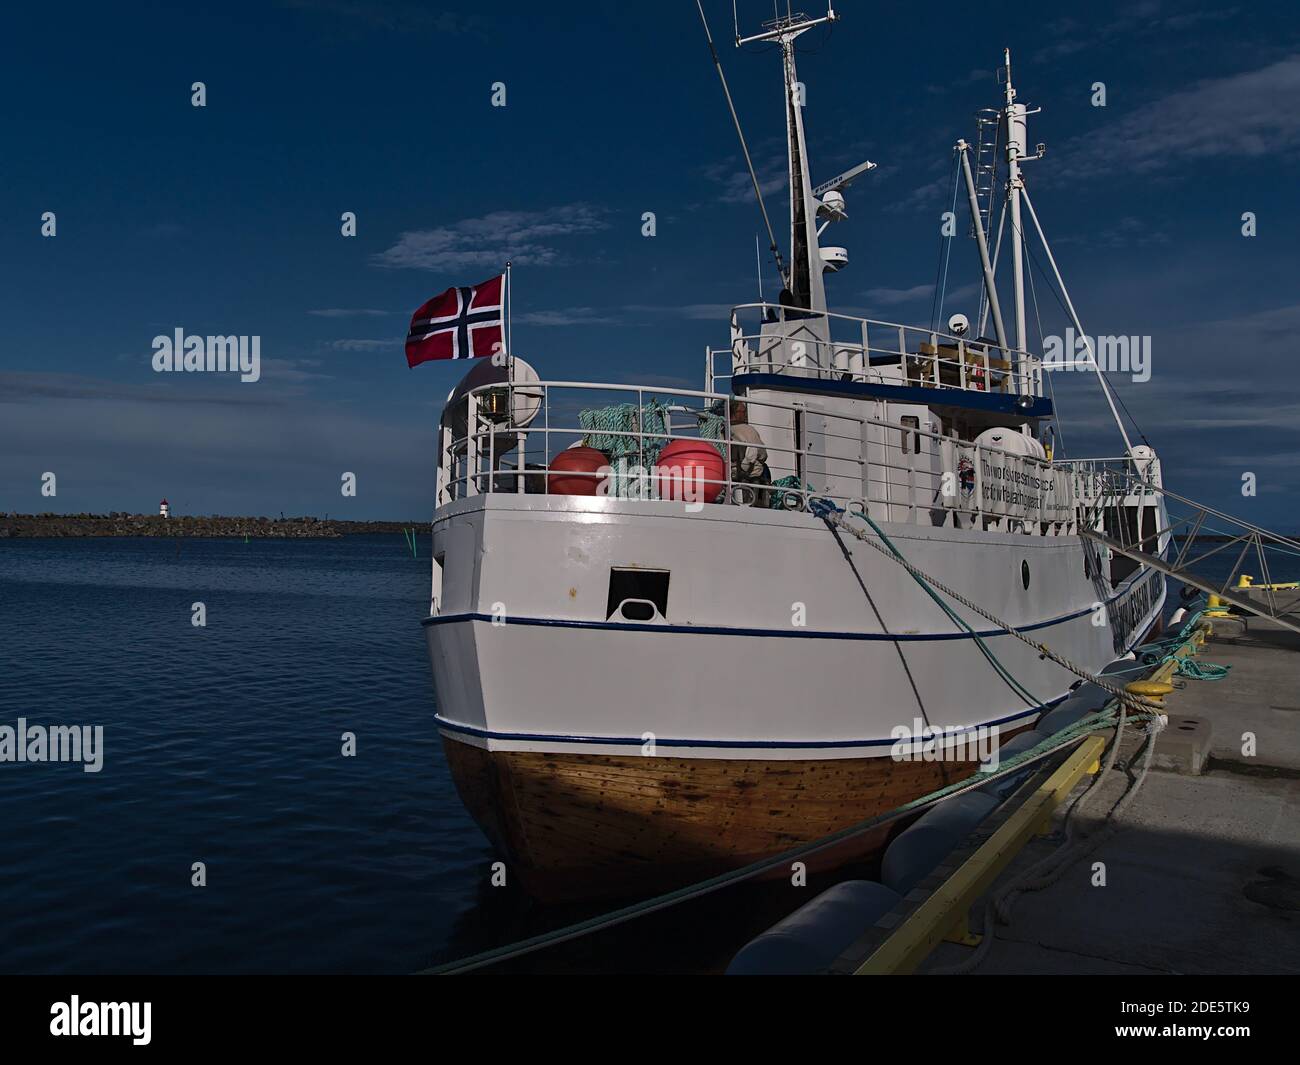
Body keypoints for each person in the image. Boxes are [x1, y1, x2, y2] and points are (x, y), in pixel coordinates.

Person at [728, 399, 770, 506]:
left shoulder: (723, 429)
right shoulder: (748, 430)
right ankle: (760, 502)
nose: (745, 415)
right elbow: (763, 455)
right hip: (750, 477)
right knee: (765, 469)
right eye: (743, 412)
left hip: (730, 474)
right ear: (735, 413)